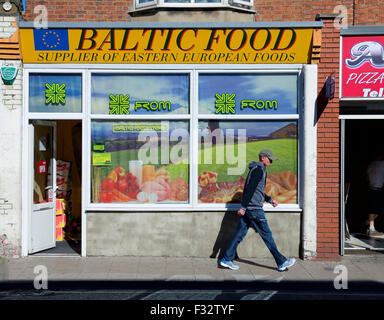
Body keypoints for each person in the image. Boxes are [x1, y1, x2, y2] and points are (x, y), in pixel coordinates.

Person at [219, 149, 296, 272]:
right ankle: (281, 262)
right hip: (254, 209)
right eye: (269, 158)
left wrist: (269, 200)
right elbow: (249, 189)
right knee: (267, 236)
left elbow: (257, 190)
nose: (271, 161)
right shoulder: (258, 170)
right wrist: (243, 207)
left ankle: (226, 259)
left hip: (250, 208)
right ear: (263, 158)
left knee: (239, 234)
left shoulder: (258, 169)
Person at [366, 155, 384, 237]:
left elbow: (367, 178)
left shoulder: (371, 165)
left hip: (371, 188)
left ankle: (369, 222)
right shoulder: (382, 164)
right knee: (376, 210)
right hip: (377, 189)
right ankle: (371, 228)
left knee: (373, 209)